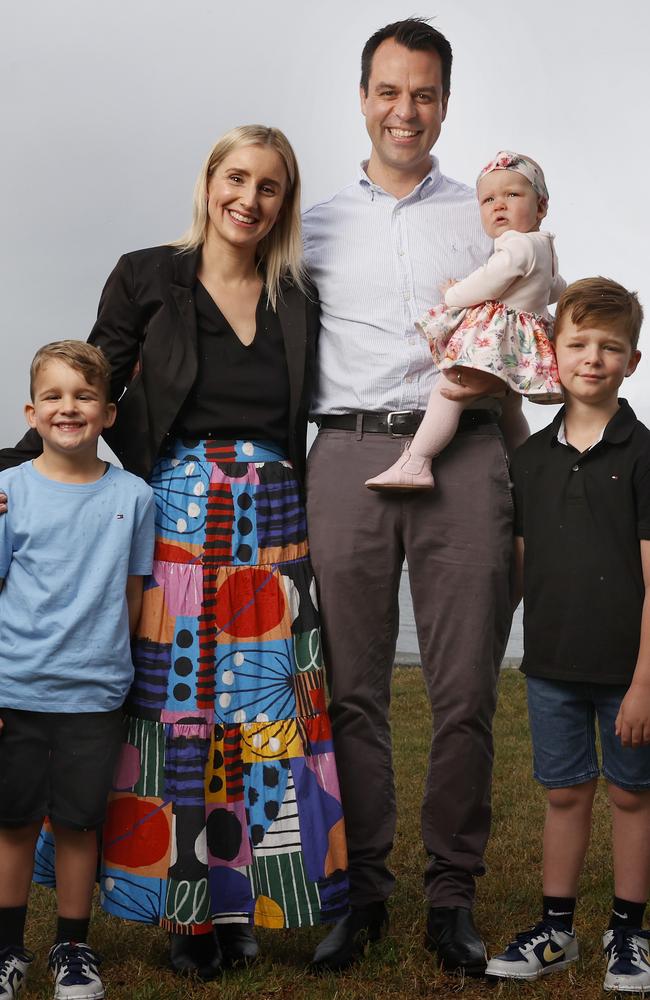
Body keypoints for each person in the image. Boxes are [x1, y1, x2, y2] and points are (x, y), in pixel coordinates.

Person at [0, 125, 348, 981]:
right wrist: (15, 467)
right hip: (180, 524)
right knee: (177, 720)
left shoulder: (298, 294)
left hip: (273, 529)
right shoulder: (146, 275)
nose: (249, 199)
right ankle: (181, 911)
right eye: (236, 179)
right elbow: (88, 385)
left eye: (269, 187)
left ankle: (245, 907)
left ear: (283, 202)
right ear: (208, 182)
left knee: (263, 723)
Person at [303, 18, 513, 975]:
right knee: (351, 689)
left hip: (465, 456)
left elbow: (520, 350)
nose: (405, 111)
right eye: (389, 91)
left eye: (423, 94)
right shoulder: (311, 225)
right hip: (345, 452)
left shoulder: (485, 215)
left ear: (444, 103)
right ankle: (362, 892)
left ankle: (452, 898)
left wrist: (527, 476)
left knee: (464, 688)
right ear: (362, 96)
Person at [486, 277, 650, 993]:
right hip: (550, 662)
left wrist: (646, 680)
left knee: (632, 797)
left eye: (610, 348)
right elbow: (521, 568)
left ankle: (629, 935)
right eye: (578, 343)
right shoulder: (528, 458)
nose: (593, 358)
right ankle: (557, 930)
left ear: (632, 362)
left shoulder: (645, 455)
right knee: (563, 794)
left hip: (628, 672)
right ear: (552, 352)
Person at [0, 341, 154, 1000]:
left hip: (95, 693)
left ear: (108, 413)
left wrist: (122, 674)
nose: (70, 408)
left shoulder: (135, 497)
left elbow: (133, 593)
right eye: (55, 396)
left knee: (78, 824)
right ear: (33, 412)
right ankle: (8, 951)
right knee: (9, 823)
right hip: (17, 687)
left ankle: (72, 946)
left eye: (84, 395)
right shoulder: (7, 494)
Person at [366, 150, 565, 491]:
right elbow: (555, 289)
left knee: (448, 393)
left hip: (498, 341)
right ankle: (525, 468)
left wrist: (454, 293)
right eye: (488, 199)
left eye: (512, 195)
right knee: (509, 407)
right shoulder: (544, 247)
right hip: (518, 344)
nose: (498, 205)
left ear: (541, 207)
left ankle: (417, 462)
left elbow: (490, 279)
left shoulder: (516, 247)